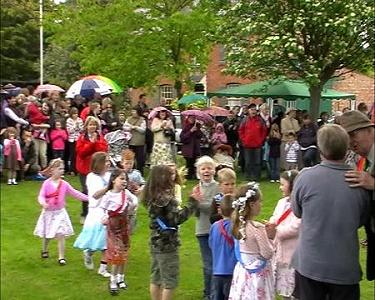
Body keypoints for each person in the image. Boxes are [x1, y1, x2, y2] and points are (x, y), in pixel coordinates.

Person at [291, 124, 370, 300]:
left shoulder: (305, 177)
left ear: (320, 148)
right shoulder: (359, 182)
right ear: (347, 147)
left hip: (310, 264)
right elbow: (361, 219)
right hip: (344, 267)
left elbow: (297, 211)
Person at [141, 165, 197, 300]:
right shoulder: (166, 198)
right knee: (170, 281)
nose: (173, 177)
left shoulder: (150, 195)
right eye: (170, 174)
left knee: (156, 277)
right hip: (167, 244)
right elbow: (177, 218)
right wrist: (192, 202)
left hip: (155, 242)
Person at [33, 159, 88, 265]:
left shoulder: (64, 184)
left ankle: (61, 257)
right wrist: (43, 203)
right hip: (48, 213)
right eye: (59, 169)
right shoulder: (46, 183)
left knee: (61, 233)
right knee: (47, 234)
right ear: (52, 170)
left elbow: (75, 193)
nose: (62, 171)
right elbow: (41, 196)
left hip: (60, 213)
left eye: (63, 169)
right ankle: (44, 249)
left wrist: (88, 198)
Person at [340, 111, 374, 281]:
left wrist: (373, 184)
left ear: (370, 129)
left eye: (354, 134)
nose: (351, 142)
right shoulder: (367, 160)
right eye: (347, 137)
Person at [229, 183, 274, 300]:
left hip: (243, 271)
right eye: (260, 201)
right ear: (252, 205)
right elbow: (267, 253)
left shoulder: (237, 225)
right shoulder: (257, 228)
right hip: (257, 274)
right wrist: (271, 237)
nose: (261, 204)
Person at [73, 152, 111, 278]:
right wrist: (108, 188)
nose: (108, 163)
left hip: (109, 210)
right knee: (97, 239)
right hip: (97, 211)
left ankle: (103, 268)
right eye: (106, 161)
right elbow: (95, 195)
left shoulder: (109, 175)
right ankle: (89, 252)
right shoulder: (91, 177)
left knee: (107, 241)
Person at [101, 169, 138, 295]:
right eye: (121, 178)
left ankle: (121, 277)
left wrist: (131, 207)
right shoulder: (108, 196)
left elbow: (135, 201)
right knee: (117, 253)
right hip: (113, 227)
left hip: (124, 225)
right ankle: (113, 280)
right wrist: (104, 217)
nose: (124, 181)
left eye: (125, 179)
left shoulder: (126, 193)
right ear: (113, 180)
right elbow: (103, 209)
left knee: (124, 252)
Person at [189, 156, 220, 300]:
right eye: (203, 168)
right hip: (202, 229)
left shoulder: (218, 187)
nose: (206, 171)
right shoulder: (196, 188)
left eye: (209, 167)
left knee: (216, 263)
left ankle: (215, 293)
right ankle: (208, 293)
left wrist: (199, 203)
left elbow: (214, 208)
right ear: (198, 171)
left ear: (214, 170)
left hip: (217, 229)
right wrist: (195, 203)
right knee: (208, 264)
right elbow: (194, 212)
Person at [266, 170, 300, 300]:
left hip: (293, 252)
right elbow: (275, 217)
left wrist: (277, 231)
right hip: (279, 252)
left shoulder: (300, 204)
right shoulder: (281, 202)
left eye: (283, 184)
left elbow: (297, 226)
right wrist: (270, 224)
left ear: (292, 185)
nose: (280, 187)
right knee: (284, 290)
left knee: (295, 289)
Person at [76, 116, 108, 224]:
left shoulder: (100, 137)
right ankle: (84, 213)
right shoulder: (81, 138)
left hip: (97, 168)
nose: (92, 127)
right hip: (84, 168)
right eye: (90, 124)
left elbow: (103, 151)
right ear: (86, 126)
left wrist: (95, 142)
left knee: (99, 190)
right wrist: (92, 144)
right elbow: (81, 153)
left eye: (94, 125)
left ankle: (98, 212)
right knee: (86, 190)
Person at [209, 195, 237, 300]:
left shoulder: (214, 226)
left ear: (220, 210)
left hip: (217, 271)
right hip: (231, 271)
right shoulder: (235, 227)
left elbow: (211, 244)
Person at [238, 103, 267, 182]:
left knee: (257, 162)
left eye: (254, 110)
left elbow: (264, 131)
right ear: (248, 111)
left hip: (258, 145)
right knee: (248, 162)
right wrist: (244, 140)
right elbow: (240, 130)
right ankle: (248, 177)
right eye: (251, 110)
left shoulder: (260, 120)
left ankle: (256, 177)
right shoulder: (245, 120)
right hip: (247, 145)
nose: (253, 111)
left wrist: (261, 140)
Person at [120, 149, 145, 233]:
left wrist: (140, 189)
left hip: (134, 197)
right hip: (123, 197)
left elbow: (143, 184)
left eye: (130, 163)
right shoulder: (120, 173)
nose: (129, 165)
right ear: (122, 163)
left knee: (132, 213)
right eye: (126, 163)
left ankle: (130, 229)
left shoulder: (136, 173)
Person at [125, 106, 147, 174]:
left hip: (139, 142)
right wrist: (130, 128)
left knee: (139, 159)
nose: (133, 113)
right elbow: (125, 127)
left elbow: (143, 130)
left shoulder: (142, 120)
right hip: (131, 141)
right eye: (132, 111)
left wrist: (135, 127)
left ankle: (140, 173)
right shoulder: (128, 119)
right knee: (131, 158)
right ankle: (131, 171)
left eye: (134, 111)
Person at [66, 107, 84, 175]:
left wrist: (78, 127)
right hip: (72, 140)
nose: (75, 115)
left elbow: (82, 130)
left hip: (78, 139)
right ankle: (72, 170)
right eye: (74, 114)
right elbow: (69, 131)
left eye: (76, 113)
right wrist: (75, 127)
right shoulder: (69, 120)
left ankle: (78, 169)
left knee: (78, 155)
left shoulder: (80, 120)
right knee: (72, 155)